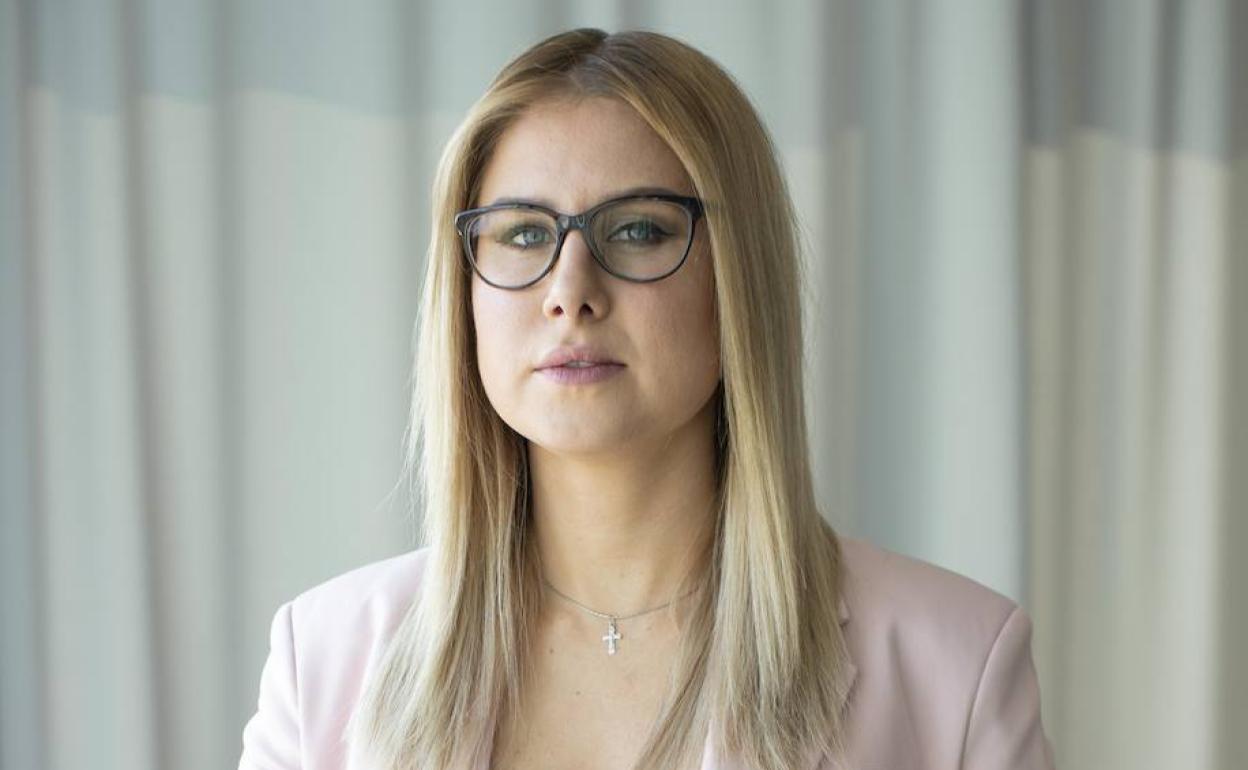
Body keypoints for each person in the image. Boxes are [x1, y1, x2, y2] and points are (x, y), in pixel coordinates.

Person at [238, 27, 1055, 770]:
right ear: (465, 294)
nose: (569, 291)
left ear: (739, 279)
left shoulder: (957, 667)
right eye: (523, 233)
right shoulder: (323, 664)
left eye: (637, 230)